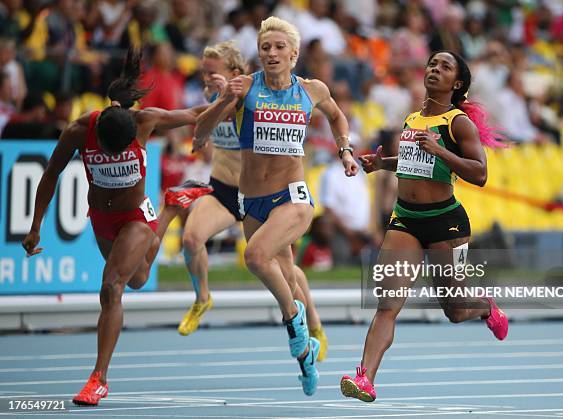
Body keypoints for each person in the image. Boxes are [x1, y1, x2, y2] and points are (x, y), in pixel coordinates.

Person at [21, 48, 211, 407]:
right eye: (107, 151)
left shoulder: (146, 120)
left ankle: (98, 379)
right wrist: (35, 227)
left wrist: (230, 102)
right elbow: (50, 175)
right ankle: (171, 206)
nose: (110, 156)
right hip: (103, 218)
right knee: (137, 279)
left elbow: (194, 114)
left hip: (136, 215)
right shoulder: (78, 130)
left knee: (111, 288)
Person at [195, 16, 359, 396]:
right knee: (284, 273)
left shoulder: (312, 90)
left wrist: (346, 150)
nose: (271, 53)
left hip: (293, 196)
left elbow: (336, 116)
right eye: (265, 47)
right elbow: (201, 130)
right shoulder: (246, 87)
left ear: (294, 54)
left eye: (279, 47)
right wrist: (225, 99)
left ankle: (295, 323)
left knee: (254, 257)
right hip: (252, 199)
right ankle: (307, 359)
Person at [340, 51, 509, 403]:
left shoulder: (458, 122)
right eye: (432, 63)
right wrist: (381, 165)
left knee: (455, 309)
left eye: (444, 67)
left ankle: (486, 308)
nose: (435, 69)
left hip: (445, 223)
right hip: (405, 220)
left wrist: (439, 150)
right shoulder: (412, 118)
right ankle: (365, 378)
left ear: (457, 83)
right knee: (387, 304)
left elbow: (479, 174)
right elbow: (414, 163)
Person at [177, 41, 329, 362]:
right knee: (190, 238)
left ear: (233, 73)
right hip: (223, 191)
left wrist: (230, 96)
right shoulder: (215, 97)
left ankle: (313, 326)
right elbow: (199, 132)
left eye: (211, 72)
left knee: (286, 271)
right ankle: (202, 298)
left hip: (262, 195)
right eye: (203, 72)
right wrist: (215, 105)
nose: (205, 78)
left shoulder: (253, 94)